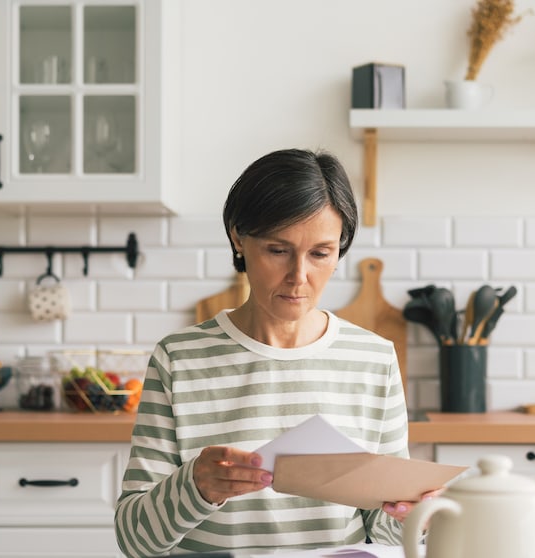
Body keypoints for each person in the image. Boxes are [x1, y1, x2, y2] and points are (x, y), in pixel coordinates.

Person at [114, 148, 422, 557]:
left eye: (320, 254)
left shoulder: (373, 360)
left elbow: (383, 532)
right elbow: (134, 542)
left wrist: (412, 516)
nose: (299, 276)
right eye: (278, 251)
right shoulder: (179, 359)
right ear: (238, 238)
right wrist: (196, 487)